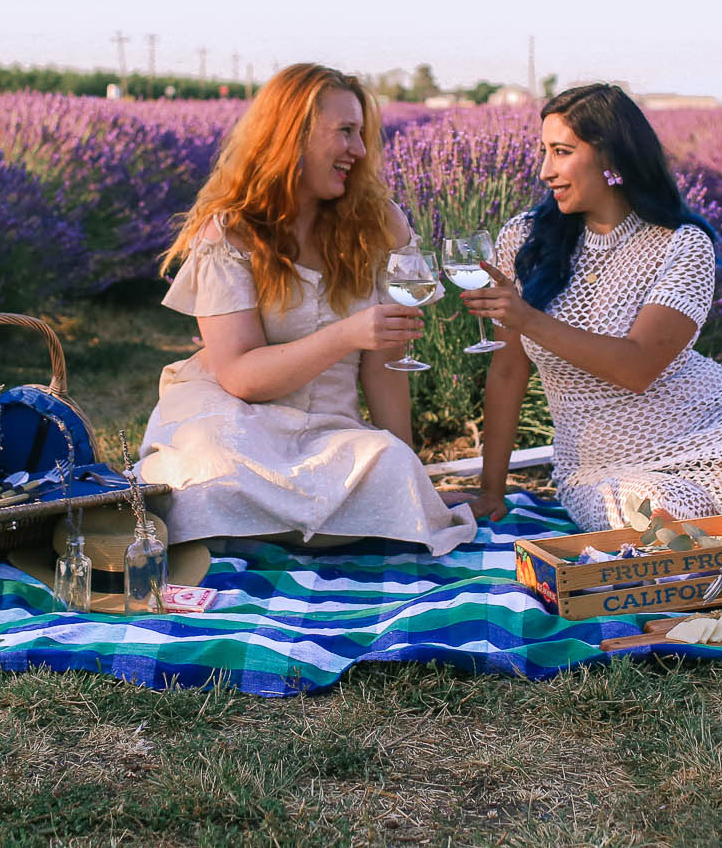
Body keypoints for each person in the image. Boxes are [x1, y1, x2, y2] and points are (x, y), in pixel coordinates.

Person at [460, 83, 722, 539]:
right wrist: (491, 492)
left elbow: (637, 367)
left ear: (611, 159)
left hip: (714, 429)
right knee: (670, 530)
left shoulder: (683, 244)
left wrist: (528, 318)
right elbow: (507, 370)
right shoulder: (523, 240)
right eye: (544, 151)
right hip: (600, 468)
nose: (544, 171)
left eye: (561, 152)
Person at [137, 63, 475, 555]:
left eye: (361, 135)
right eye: (344, 132)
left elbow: (385, 368)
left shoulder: (379, 223)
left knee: (390, 466)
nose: (359, 151)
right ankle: (305, 531)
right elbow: (240, 376)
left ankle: (251, 534)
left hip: (330, 434)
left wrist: (413, 475)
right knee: (211, 462)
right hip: (237, 417)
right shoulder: (229, 231)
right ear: (291, 136)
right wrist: (347, 334)